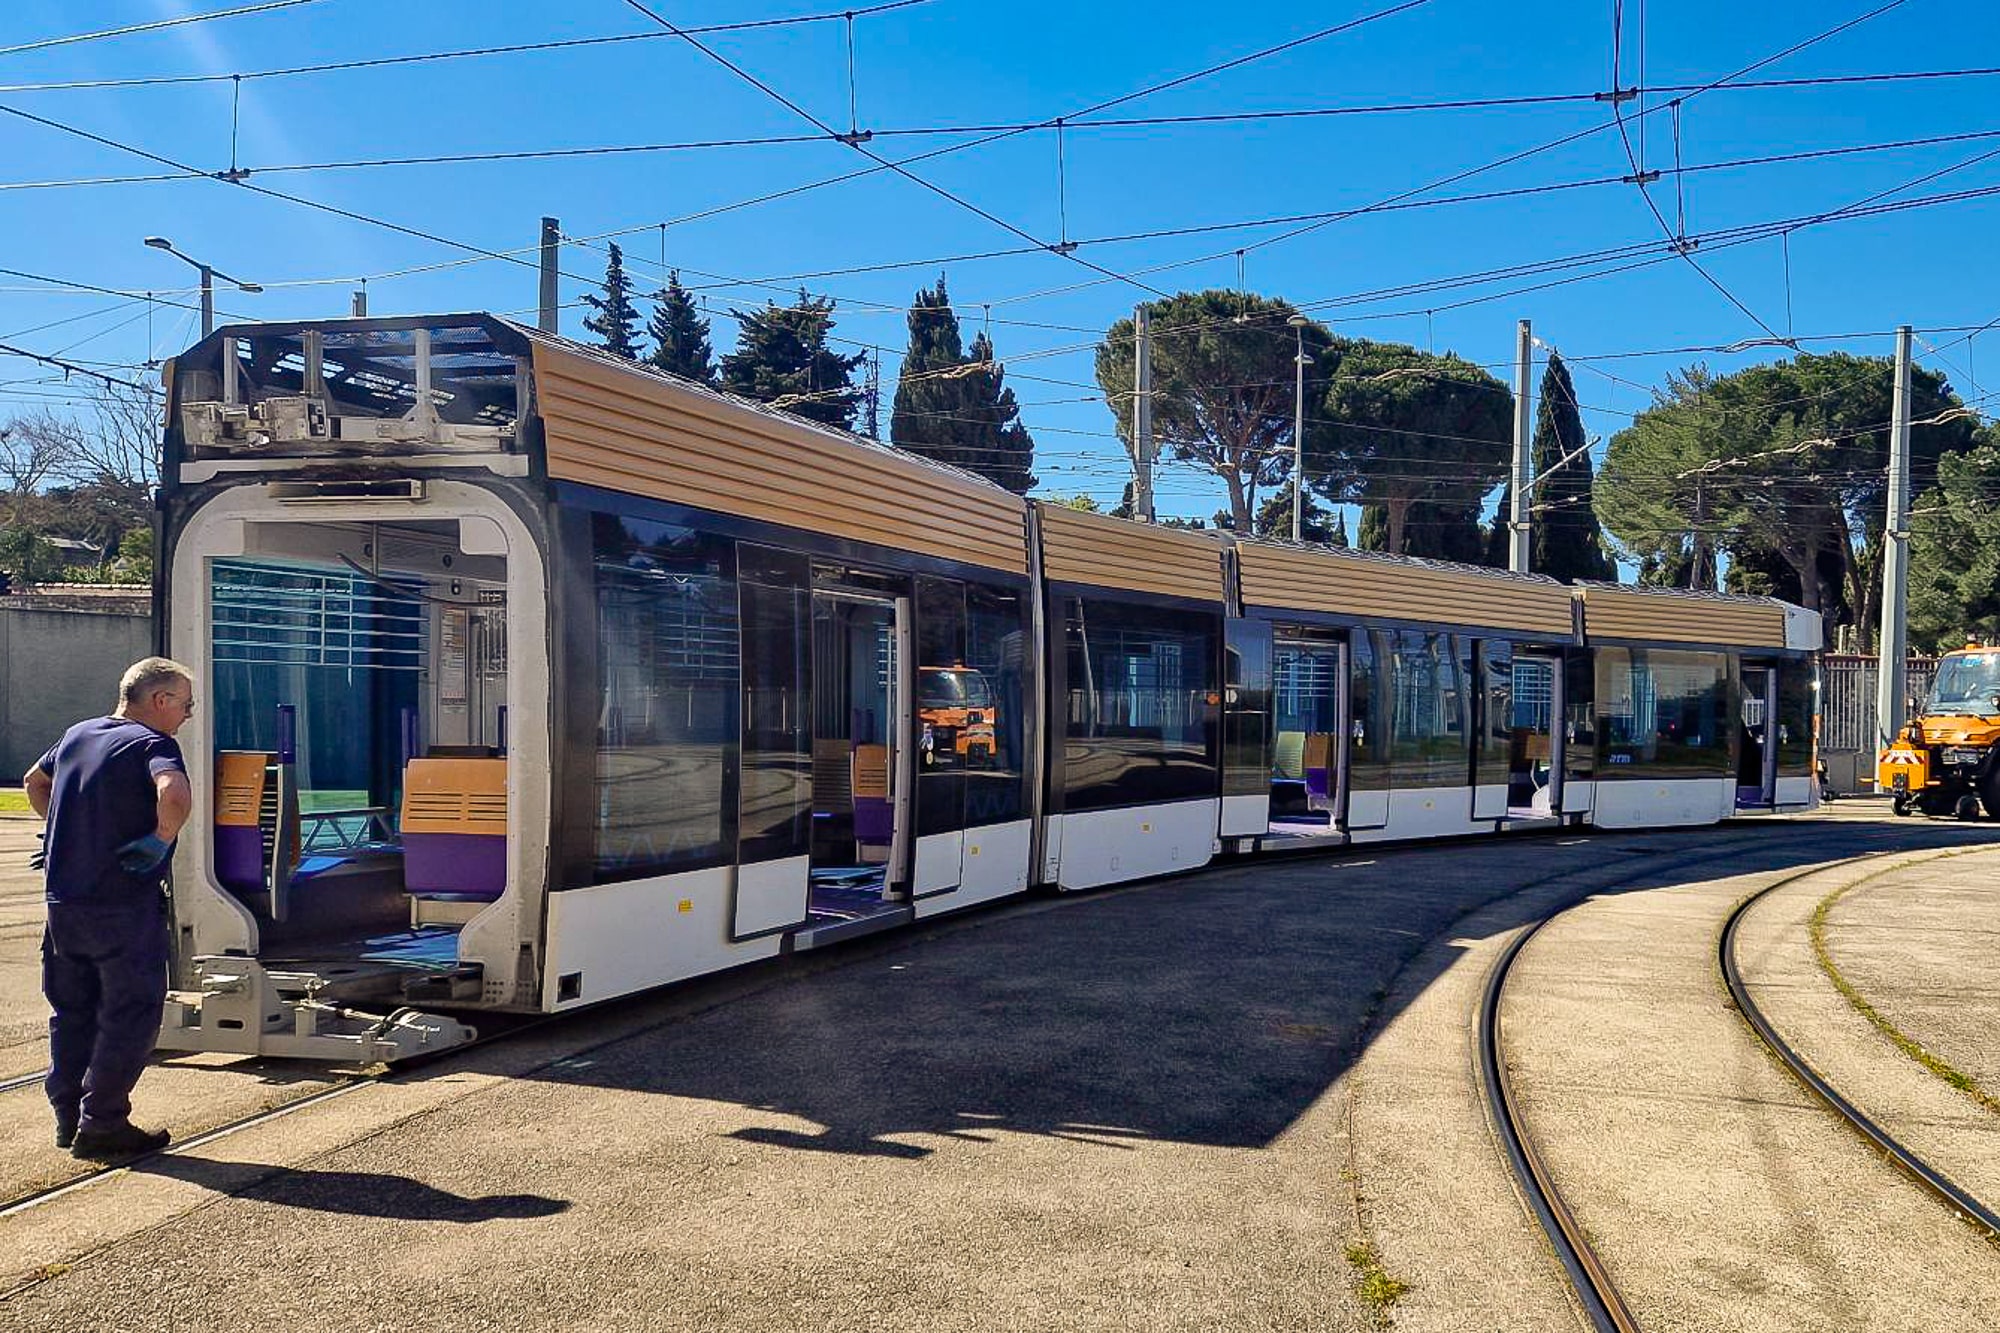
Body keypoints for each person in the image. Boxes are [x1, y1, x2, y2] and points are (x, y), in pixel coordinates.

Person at [23, 657, 195, 1159]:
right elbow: (174, 794)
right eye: (185, 705)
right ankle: (103, 1123)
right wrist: (160, 839)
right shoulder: (152, 743)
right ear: (160, 700)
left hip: (64, 907)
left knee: (73, 1012)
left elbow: (35, 781)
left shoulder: (78, 735)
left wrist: (63, 833)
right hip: (121, 906)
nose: (187, 715)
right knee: (131, 1013)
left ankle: (68, 1117)